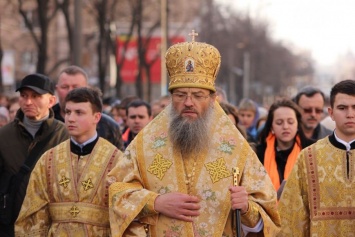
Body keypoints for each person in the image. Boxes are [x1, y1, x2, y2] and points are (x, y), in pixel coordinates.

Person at [108, 33, 280, 236]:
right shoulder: (145, 145)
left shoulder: (236, 149)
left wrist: (247, 208)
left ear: (212, 99)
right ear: (171, 98)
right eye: (180, 95)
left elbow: (269, 215)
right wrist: (155, 202)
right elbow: (116, 190)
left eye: (198, 95)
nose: (189, 102)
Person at [15, 87, 122, 236]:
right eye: (68, 112)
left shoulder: (117, 161)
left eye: (79, 113)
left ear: (96, 117)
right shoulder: (48, 160)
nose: (71, 118)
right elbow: (34, 212)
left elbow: (124, 215)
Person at [278, 80, 355, 236]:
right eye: (342, 108)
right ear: (331, 113)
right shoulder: (308, 158)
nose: (350, 114)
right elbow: (291, 221)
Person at [0, 73, 69, 236]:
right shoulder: (4, 136)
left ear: (51, 101)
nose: (28, 101)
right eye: (24, 96)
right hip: (10, 225)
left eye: (36, 96)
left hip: (51, 225)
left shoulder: (64, 135)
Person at [53, 65, 124, 150]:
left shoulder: (108, 127)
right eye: (65, 87)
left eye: (76, 87)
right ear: (57, 89)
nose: (70, 91)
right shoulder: (46, 124)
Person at [256, 99, 313, 199]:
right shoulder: (258, 154)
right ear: (271, 128)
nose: (285, 127)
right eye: (279, 123)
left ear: (297, 125)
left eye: (290, 122)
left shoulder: (311, 150)